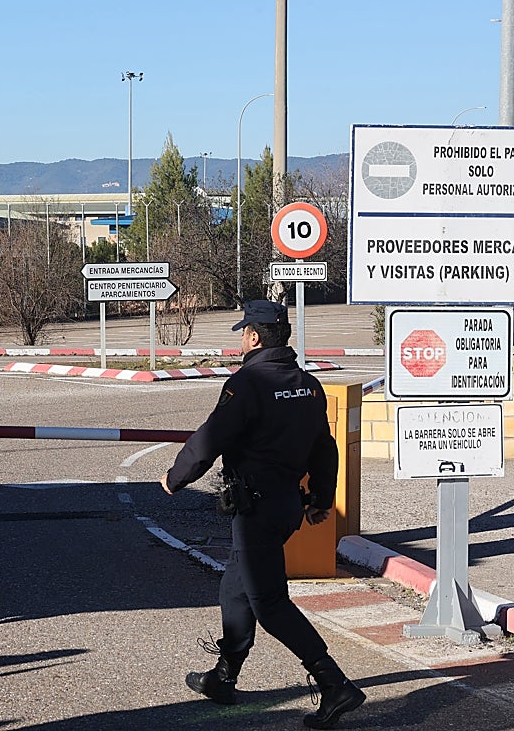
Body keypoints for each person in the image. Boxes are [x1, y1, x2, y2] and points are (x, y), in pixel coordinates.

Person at [160, 300, 364, 729]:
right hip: (287, 504)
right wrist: (320, 501)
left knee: (269, 603)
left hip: (256, 509)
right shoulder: (308, 385)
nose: (240, 339)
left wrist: (176, 478)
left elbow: (210, 436)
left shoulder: (248, 383)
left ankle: (334, 684)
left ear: (253, 336)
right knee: (235, 589)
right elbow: (324, 448)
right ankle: (224, 678)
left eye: (243, 332)